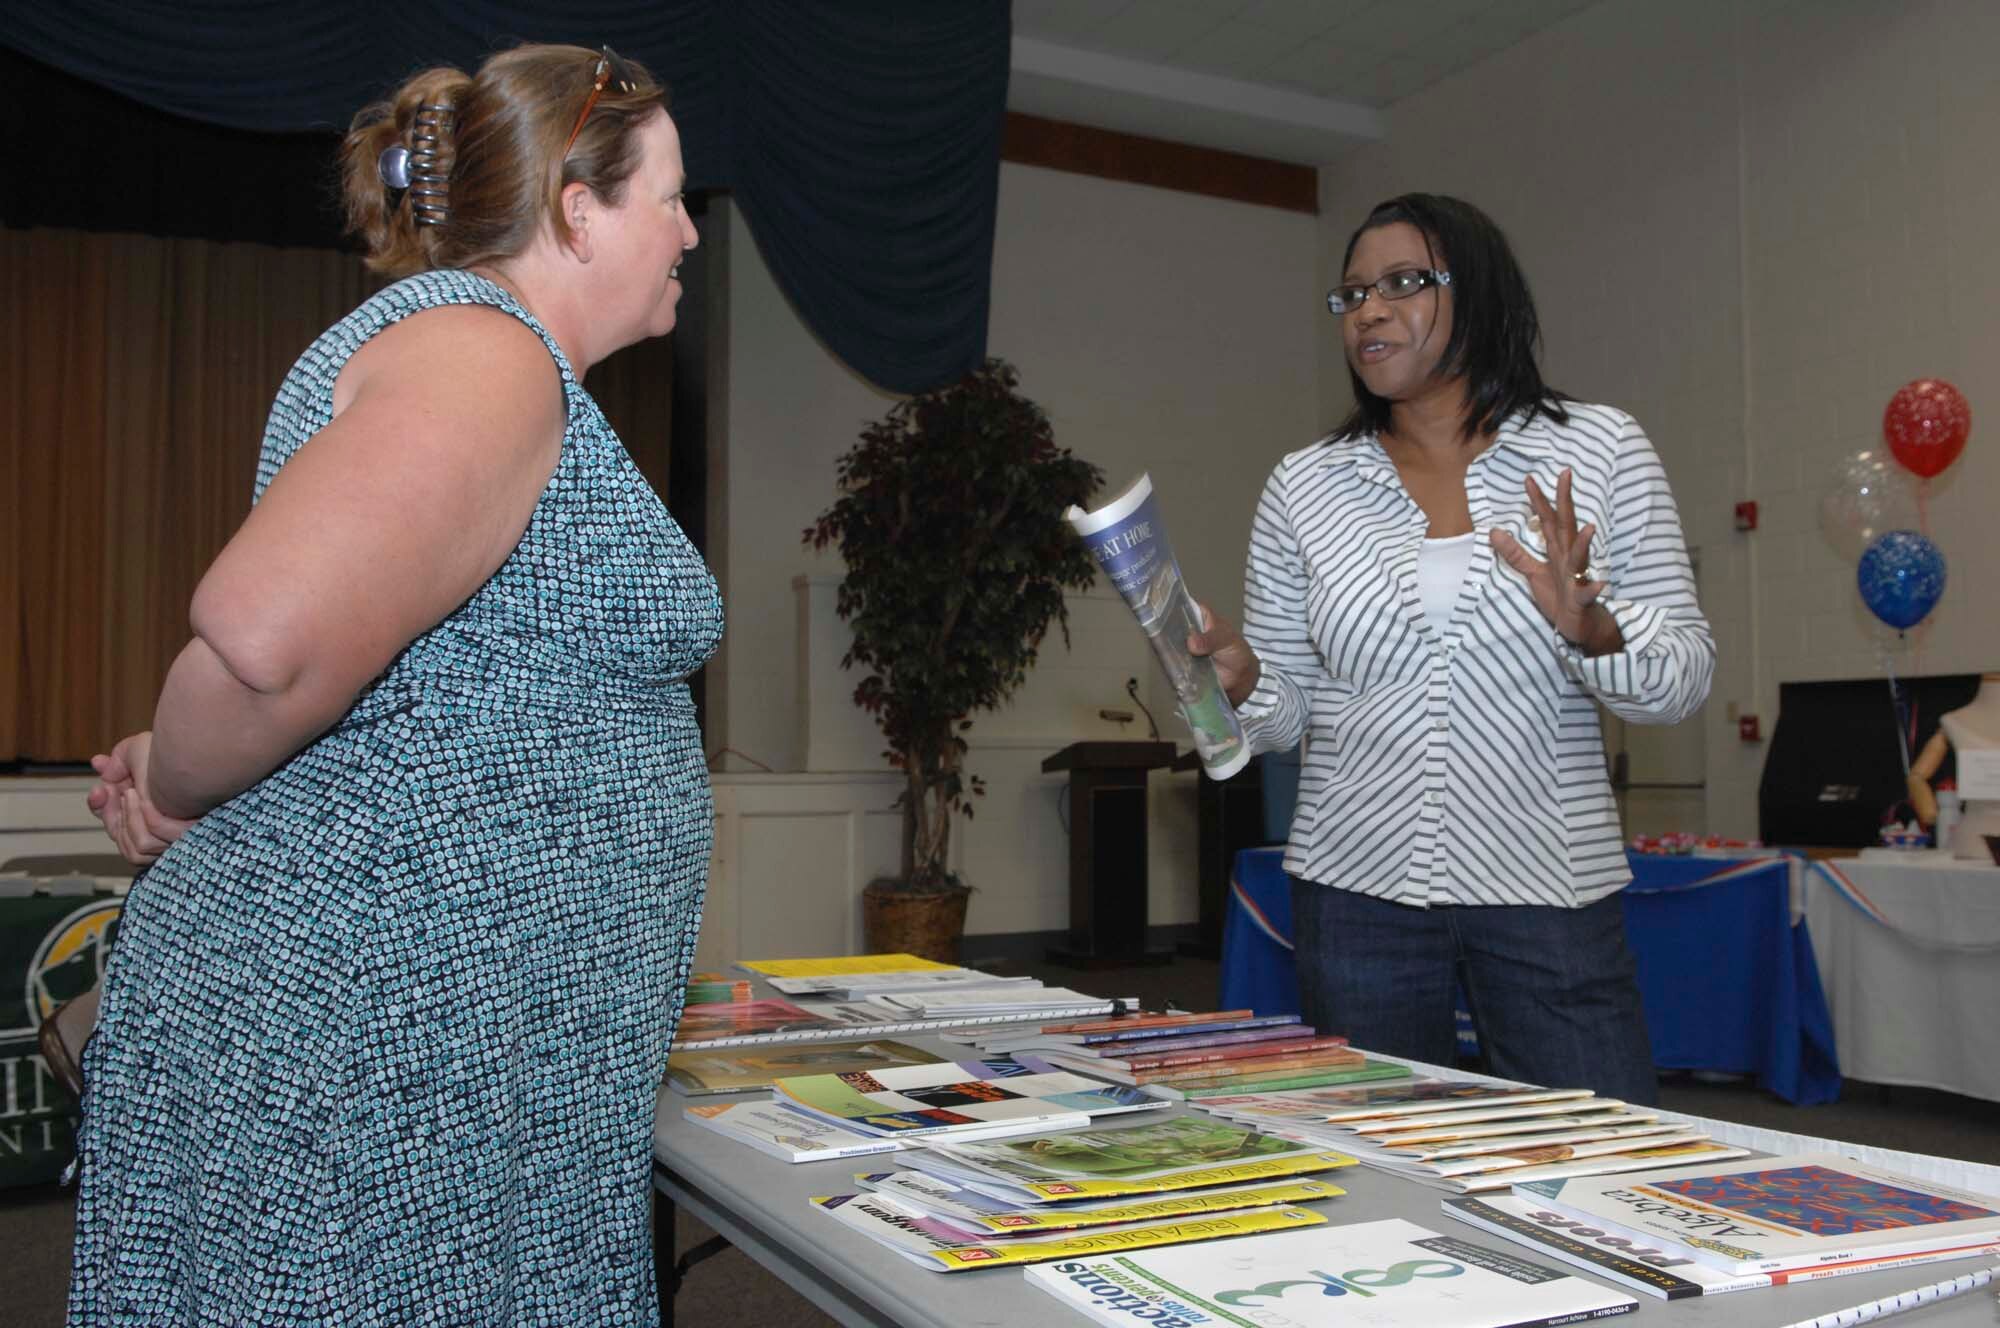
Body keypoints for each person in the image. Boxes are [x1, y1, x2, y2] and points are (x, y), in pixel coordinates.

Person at [70, 43, 720, 1324]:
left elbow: (381, 675)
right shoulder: (489, 356)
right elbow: (266, 637)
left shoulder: (481, 360)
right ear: (577, 212)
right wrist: (179, 778)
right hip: (382, 1053)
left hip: (441, 1055)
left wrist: (175, 759)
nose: (691, 230)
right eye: (670, 195)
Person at [1191, 194, 1712, 1104]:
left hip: (1548, 881)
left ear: (1479, 296)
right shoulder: (1305, 485)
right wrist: (1240, 680)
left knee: (1597, 1160)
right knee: (1381, 1158)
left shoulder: (1599, 448)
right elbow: (1282, 720)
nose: (1370, 310)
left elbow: (1683, 676)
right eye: (1352, 294)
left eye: (1404, 283)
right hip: (1355, 890)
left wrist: (1593, 628)